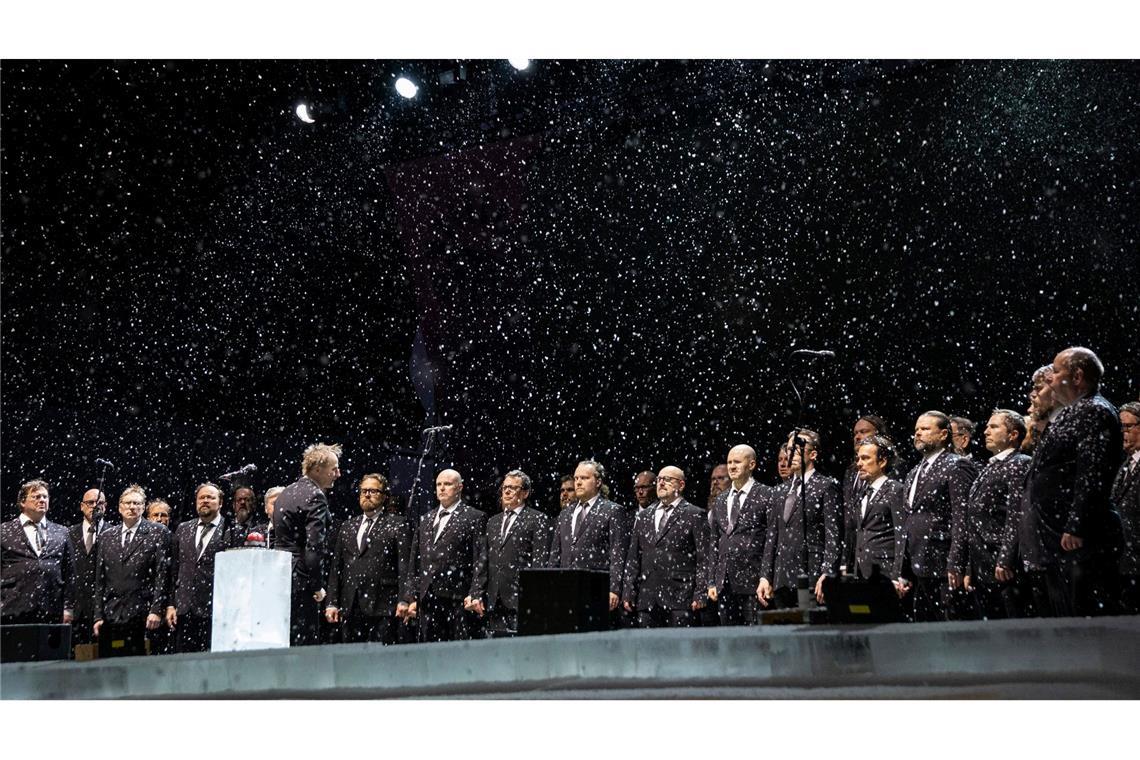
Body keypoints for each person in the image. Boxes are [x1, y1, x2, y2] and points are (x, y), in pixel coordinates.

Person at [1021, 347, 1123, 617]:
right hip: (1058, 540)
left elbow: (1093, 472)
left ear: (1077, 377)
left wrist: (1078, 524)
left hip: (1079, 540)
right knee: (1067, 619)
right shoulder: (1072, 413)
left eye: (1056, 372)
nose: (1051, 379)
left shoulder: (1094, 411)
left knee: (1087, 622)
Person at [893, 411, 977, 622]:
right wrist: (901, 568)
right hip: (917, 566)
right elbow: (908, 521)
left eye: (925, 429)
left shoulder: (956, 465)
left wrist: (957, 562)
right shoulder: (913, 472)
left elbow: (962, 517)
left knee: (950, 629)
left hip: (943, 566)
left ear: (943, 435)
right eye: (916, 430)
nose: (918, 434)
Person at [948, 410, 1032, 619]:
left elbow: (1016, 514)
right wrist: (970, 567)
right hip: (983, 564)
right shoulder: (991, 465)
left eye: (994, 427)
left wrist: (1005, 558)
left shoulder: (1019, 463)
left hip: (1001, 565)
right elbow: (973, 519)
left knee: (1011, 627)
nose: (986, 432)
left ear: (1013, 435)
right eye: (987, 427)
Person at [757, 430, 842, 609]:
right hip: (782, 577)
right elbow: (772, 536)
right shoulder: (779, 491)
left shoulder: (826, 486)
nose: (791, 454)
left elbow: (833, 534)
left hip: (812, 573)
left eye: (797, 449)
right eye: (789, 449)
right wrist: (765, 575)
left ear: (813, 454)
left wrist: (827, 572)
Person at [402, 469, 487, 642]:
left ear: (459, 487)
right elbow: (416, 561)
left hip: (458, 596)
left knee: (457, 651)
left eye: (447, 484)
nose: (442, 488)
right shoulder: (426, 519)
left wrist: (476, 592)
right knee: (428, 649)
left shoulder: (474, 517)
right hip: (428, 596)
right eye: (439, 484)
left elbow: (480, 559)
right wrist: (411, 595)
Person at [326, 473, 411, 644]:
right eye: (363, 490)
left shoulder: (398, 524)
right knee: (351, 660)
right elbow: (336, 568)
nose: (367, 494)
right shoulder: (348, 526)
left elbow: (405, 565)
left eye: (373, 490)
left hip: (384, 604)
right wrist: (331, 602)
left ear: (384, 496)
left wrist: (404, 599)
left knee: (380, 661)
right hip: (350, 604)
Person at [467, 469, 554, 636]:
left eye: (513, 488)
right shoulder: (493, 521)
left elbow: (539, 561)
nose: (506, 491)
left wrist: (535, 596)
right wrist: (476, 592)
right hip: (494, 598)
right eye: (505, 487)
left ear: (526, 492)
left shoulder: (537, 519)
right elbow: (483, 561)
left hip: (521, 598)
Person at [622, 466, 709, 627]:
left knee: (680, 650)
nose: (661, 483)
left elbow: (704, 559)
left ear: (681, 485)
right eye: (659, 480)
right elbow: (633, 558)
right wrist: (628, 591)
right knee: (648, 650)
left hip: (681, 598)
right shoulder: (643, 516)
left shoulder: (695, 514)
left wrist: (700, 593)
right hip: (647, 599)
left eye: (667, 479)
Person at [273, 443, 339, 646]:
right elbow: (314, 547)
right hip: (301, 578)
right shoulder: (315, 496)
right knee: (304, 643)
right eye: (334, 468)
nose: (338, 474)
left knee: (283, 637)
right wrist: (317, 585)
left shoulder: (285, 493)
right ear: (317, 469)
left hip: (280, 573)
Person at [93, 485, 171, 651]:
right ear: (120, 507)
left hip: (143, 614)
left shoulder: (158, 532)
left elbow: (162, 575)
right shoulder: (106, 537)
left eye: (136, 503)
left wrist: (156, 610)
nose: (132, 507)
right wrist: (97, 615)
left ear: (143, 507)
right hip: (112, 614)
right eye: (127, 503)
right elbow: (100, 580)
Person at [549, 460, 629, 619]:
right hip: (565, 589)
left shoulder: (613, 511)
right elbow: (555, 554)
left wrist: (614, 589)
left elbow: (618, 553)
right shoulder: (565, 514)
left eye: (584, 478)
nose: (578, 482)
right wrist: (551, 584)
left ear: (598, 481)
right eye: (576, 478)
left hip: (596, 589)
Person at [165, 482, 240, 652]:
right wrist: (171, 604)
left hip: (215, 610)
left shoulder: (231, 530)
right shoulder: (183, 529)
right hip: (184, 610)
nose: (205, 501)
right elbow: (174, 570)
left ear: (220, 503)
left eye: (210, 497)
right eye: (201, 497)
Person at [707, 445, 772, 625]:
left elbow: (771, 540)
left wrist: (765, 576)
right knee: (729, 639)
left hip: (753, 580)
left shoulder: (767, 494)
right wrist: (712, 580)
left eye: (737, 462)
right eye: (729, 462)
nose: (732, 466)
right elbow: (715, 542)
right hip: (724, 582)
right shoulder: (720, 499)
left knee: (755, 638)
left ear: (751, 464)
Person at [1, 480, 74, 626]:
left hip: (52, 610)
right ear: (22, 502)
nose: (42, 500)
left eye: (45, 497)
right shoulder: (3, 531)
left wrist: (68, 607)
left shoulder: (61, 532)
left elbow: (69, 573)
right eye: (36, 496)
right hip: (12, 609)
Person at [847, 436, 903, 580]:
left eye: (865, 458)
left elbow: (901, 536)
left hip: (885, 572)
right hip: (860, 572)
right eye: (858, 459)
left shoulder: (895, 490)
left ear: (882, 461)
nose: (859, 464)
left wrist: (898, 575)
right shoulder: (861, 492)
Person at [69, 487, 111, 646]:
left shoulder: (114, 533)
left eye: (99, 503)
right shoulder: (68, 533)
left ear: (105, 506)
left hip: (104, 610)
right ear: (82, 506)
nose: (95, 506)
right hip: (76, 608)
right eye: (90, 502)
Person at [1113, 401, 1140, 613]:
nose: (1122, 433)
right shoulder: (1123, 467)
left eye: (1127, 427)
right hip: (1122, 560)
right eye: (1119, 427)